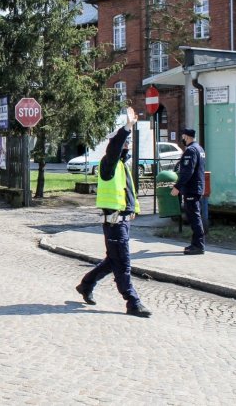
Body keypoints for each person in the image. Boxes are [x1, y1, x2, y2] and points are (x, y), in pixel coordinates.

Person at [75, 107, 152, 318]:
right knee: (123, 263)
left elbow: (126, 193)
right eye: (125, 143)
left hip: (123, 221)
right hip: (114, 222)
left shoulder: (121, 166)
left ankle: (86, 284)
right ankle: (132, 301)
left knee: (112, 261)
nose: (127, 146)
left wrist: (132, 210)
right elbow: (115, 148)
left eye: (129, 143)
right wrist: (126, 128)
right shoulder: (108, 164)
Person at [170, 128, 206, 255]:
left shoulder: (191, 150)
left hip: (192, 188)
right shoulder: (199, 148)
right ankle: (196, 244)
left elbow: (187, 172)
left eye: (183, 136)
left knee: (194, 217)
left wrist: (177, 187)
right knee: (195, 216)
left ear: (186, 137)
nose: (182, 139)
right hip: (197, 187)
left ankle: (198, 245)